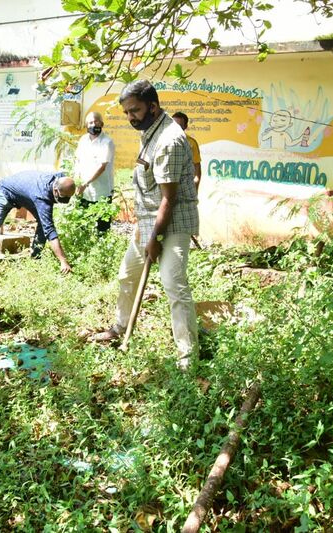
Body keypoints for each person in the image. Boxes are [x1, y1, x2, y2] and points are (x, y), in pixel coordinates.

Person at [93, 81, 199, 370]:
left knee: (174, 285)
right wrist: (144, 227)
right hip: (150, 219)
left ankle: (187, 357)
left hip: (172, 221)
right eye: (127, 112)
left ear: (153, 106)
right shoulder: (150, 130)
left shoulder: (169, 140)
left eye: (135, 111)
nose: (131, 117)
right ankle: (120, 327)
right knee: (127, 275)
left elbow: (169, 199)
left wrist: (155, 239)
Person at [0, 170, 76, 274]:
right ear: (55, 191)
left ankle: (34, 259)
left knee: (43, 224)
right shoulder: (42, 197)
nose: (66, 201)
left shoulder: (60, 178)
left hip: (27, 196)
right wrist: (63, 260)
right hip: (6, 192)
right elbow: (50, 230)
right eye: (64, 197)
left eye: (69, 197)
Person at [75, 111, 116, 232]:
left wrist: (85, 183)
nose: (93, 125)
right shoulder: (83, 140)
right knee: (83, 224)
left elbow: (102, 167)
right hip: (85, 191)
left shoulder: (107, 142)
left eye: (96, 122)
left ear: (102, 124)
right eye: (90, 122)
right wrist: (77, 179)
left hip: (102, 190)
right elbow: (77, 160)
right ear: (86, 125)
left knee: (102, 226)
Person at [172, 112, 202, 190]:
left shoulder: (191, 143)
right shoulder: (163, 141)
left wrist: (195, 188)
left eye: (179, 126)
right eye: (173, 125)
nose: (175, 128)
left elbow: (197, 167)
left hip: (185, 188)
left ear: (185, 126)